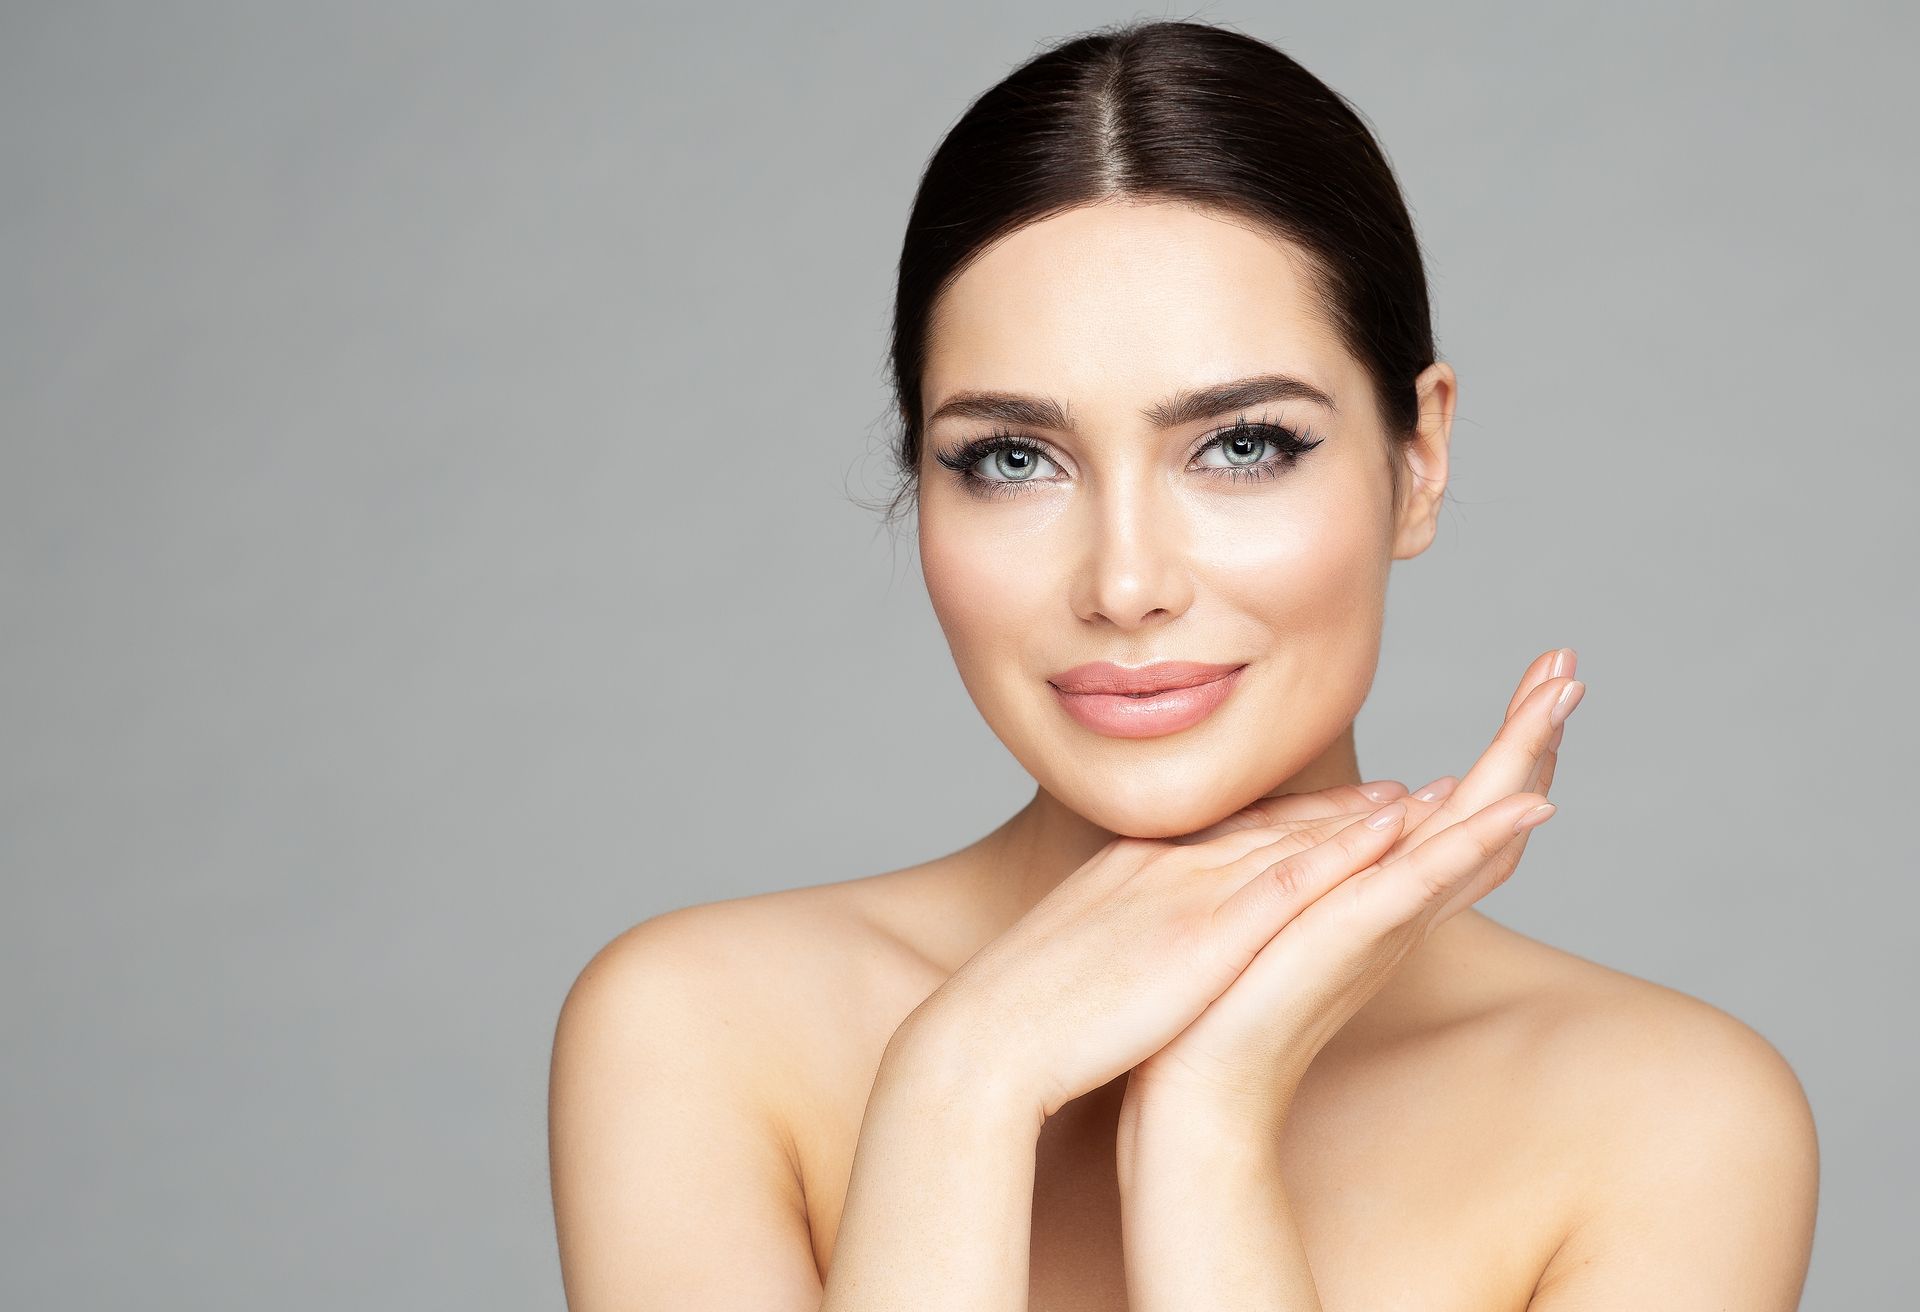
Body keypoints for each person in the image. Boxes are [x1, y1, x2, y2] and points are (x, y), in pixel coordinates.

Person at [547, 19, 1818, 1310]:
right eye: (1011, 459)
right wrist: (965, 1081)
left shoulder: (1666, 1116)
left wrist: (1206, 1115)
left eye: (1245, 446)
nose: (1125, 585)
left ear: (1418, 460)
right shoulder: (704, 1030)